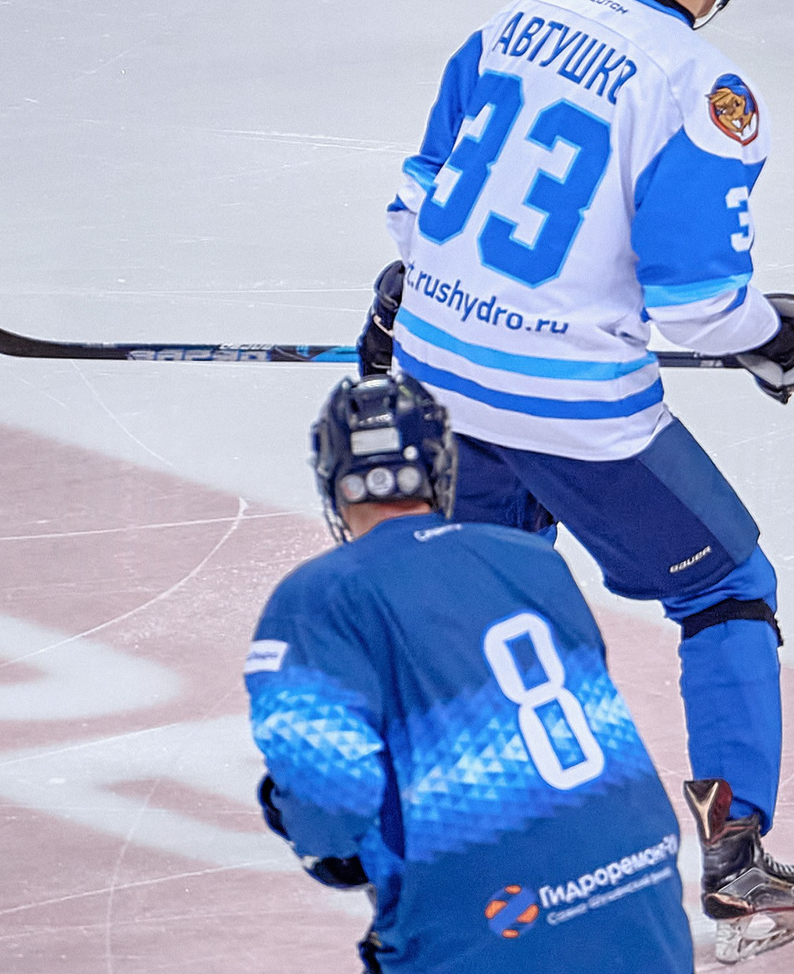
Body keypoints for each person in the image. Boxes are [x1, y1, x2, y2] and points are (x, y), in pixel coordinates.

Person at [356, 0, 794, 963]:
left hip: (437, 369)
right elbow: (698, 307)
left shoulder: (517, 18)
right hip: (576, 406)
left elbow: (419, 192)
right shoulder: (705, 90)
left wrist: (413, 288)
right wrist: (784, 340)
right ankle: (734, 855)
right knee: (729, 584)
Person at [245, 373, 695, 973]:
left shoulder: (316, 597)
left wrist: (322, 845)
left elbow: (325, 785)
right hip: (640, 883)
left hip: (494, 915)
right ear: (439, 464)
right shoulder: (532, 559)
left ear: (332, 477)